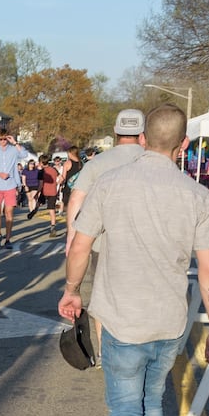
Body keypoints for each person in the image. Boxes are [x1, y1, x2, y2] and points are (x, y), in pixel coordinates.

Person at [58, 104, 209, 416]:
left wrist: (72, 289)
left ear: (143, 140)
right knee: (153, 404)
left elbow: (79, 244)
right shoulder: (197, 196)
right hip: (169, 323)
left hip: (121, 319)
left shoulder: (111, 185)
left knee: (124, 411)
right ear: (183, 145)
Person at [66, 110, 147, 357]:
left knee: (103, 302)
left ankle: (105, 353)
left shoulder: (96, 164)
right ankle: (137, 349)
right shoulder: (154, 161)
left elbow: (76, 201)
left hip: (103, 244)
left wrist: (72, 239)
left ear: (115, 131)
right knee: (138, 300)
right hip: (144, 245)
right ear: (142, 135)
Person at [0, 131, 27, 248]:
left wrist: (15, 142)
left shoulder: (13, 150)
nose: (3, 141)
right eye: (0, 139)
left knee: (8, 212)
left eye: (5, 139)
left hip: (10, 185)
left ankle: (8, 238)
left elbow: (24, 154)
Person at [38, 155, 62, 236]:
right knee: (52, 210)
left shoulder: (41, 171)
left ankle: (34, 211)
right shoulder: (54, 169)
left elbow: (41, 184)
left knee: (39, 202)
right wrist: (57, 184)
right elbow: (61, 178)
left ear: (41, 163)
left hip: (44, 191)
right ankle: (53, 226)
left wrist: (37, 192)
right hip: (53, 191)